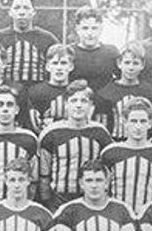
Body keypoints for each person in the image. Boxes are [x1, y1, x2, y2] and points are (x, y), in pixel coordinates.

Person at [38, 80, 113, 210]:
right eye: (74, 101)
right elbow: (44, 171)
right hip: (59, 198)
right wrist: (47, 200)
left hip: (91, 198)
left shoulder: (100, 132)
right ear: (66, 104)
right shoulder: (52, 132)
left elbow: (108, 168)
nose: (78, 105)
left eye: (83, 101)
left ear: (91, 106)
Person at [100, 96, 152, 214]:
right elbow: (103, 189)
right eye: (133, 121)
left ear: (150, 123)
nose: (138, 126)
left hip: (149, 218)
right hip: (117, 217)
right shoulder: (110, 153)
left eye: (142, 121)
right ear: (124, 122)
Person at [0, 0, 60, 86]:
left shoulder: (48, 39)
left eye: (26, 8)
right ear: (10, 12)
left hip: (37, 95)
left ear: (33, 12)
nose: (22, 12)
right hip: (5, 95)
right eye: (17, 8)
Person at [96, 42, 152, 143]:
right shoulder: (105, 94)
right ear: (119, 63)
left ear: (142, 65)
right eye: (127, 63)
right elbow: (101, 129)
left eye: (135, 63)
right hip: (115, 145)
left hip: (145, 145)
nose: (131, 68)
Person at [27, 43, 75, 133]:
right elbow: (35, 126)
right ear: (48, 67)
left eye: (64, 63)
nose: (59, 68)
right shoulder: (35, 91)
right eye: (55, 63)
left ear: (71, 66)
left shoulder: (77, 92)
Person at [70, 6, 120, 92]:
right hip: (77, 103)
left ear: (101, 29)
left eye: (94, 28)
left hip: (105, 102)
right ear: (77, 29)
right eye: (85, 28)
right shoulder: (69, 52)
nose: (90, 33)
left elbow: (121, 80)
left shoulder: (111, 52)